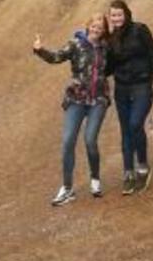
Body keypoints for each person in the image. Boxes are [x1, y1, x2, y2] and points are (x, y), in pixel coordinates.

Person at [32, 13, 111, 206]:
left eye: (100, 27)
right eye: (94, 25)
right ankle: (67, 189)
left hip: (98, 100)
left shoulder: (107, 48)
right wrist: (40, 50)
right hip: (76, 99)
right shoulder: (76, 44)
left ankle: (95, 179)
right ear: (88, 26)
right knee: (68, 142)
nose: (96, 29)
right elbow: (56, 57)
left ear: (104, 31)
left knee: (90, 140)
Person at [105, 0, 153, 195]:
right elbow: (109, 67)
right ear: (110, 18)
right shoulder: (111, 39)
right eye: (113, 15)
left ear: (126, 14)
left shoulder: (140, 30)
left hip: (142, 85)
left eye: (119, 14)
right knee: (125, 130)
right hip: (122, 88)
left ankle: (143, 167)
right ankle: (128, 172)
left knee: (135, 123)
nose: (116, 18)